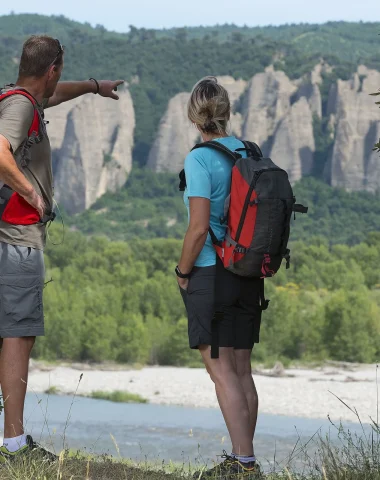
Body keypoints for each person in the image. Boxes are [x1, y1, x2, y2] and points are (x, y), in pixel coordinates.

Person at [0, 35, 123, 461]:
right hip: (16, 240)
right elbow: (0, 153)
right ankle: (14, 445)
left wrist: (92, 86)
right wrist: (31, 194)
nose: (60, 80)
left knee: (14, 333)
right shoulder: (19, 107)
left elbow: (51, 99)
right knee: (18, 334)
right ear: (52, 69)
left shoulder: (21, 100)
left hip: (11, 239)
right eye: (61, 72)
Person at [176, 77, 262, 479]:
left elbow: (197, 229)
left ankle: (244, 463)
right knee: (242, 368)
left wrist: (182, 271)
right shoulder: (250, 151)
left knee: (219, 368)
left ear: (195, 118)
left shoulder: (198, 159)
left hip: (211, 272)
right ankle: (243, 457)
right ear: (226, 113)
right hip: (248, 273)